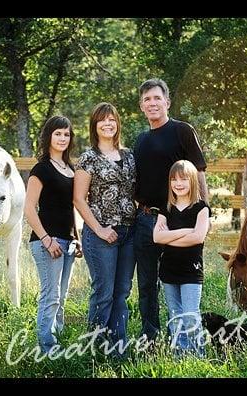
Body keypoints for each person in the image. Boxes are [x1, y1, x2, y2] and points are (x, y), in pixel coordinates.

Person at [133, 78, 209, 343]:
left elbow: (198, 172)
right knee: (147, 284)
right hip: (145, 220)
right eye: (146, 100)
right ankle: (151, 337)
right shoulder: (140, 141)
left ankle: (185, 341)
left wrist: (204, 212)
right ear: (141, 107)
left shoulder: (182, 131)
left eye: (156, 98)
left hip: (180, 217)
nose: (152, 103)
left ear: (167, 101)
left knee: (181, 279)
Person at [73, 102, 136, 356]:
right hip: (101, 236)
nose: (108, 123)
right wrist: (99, 230)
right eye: (102, 120)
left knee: (122, 292)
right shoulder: (88, 158)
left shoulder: (129, 155)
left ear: (117, 123)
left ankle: (118, 348)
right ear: (95, 125)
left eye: (112, 119)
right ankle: (96, 349)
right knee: (103, 293)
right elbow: (78, 199)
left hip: (129, 233)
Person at [24, 115, 82, 354]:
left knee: (61, 297)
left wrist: (77, 238)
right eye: (58, 133)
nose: (62, 138)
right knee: (51, 295)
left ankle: (56, 341)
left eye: (66, 134)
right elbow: (29, 208)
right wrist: (47, 240)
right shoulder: (42, 169)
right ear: (48, 136)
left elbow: (72, 208)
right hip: (47, 241)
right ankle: (47, 347)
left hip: (68, 242)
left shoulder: (71, 169)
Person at [152, 160, 210, 357]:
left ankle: (198, 355)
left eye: (183, 179)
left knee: (191, 315)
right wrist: (185, 232)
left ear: (192, 181)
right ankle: (180, 355)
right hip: (168, 270)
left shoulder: (201, 208)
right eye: (174, 179)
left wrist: (170, 236)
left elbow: (198, 237)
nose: (178, 183)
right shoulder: (166, 208)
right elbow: (156, 237)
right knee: (175, 315)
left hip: (191, 271)